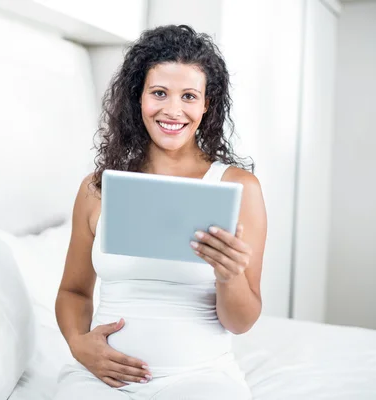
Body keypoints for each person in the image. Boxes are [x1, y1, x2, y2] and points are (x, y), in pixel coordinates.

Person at [54, 24, 267, 400]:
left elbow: (241, 321)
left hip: (200, 378)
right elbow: (73, 291)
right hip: (103, 380)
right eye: (159, 93)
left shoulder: (237, 188)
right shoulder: (97, 189)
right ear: (139, 98)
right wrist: (77, 344)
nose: (172, 110)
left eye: (188, 96)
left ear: (207, 104)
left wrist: (228, 275)